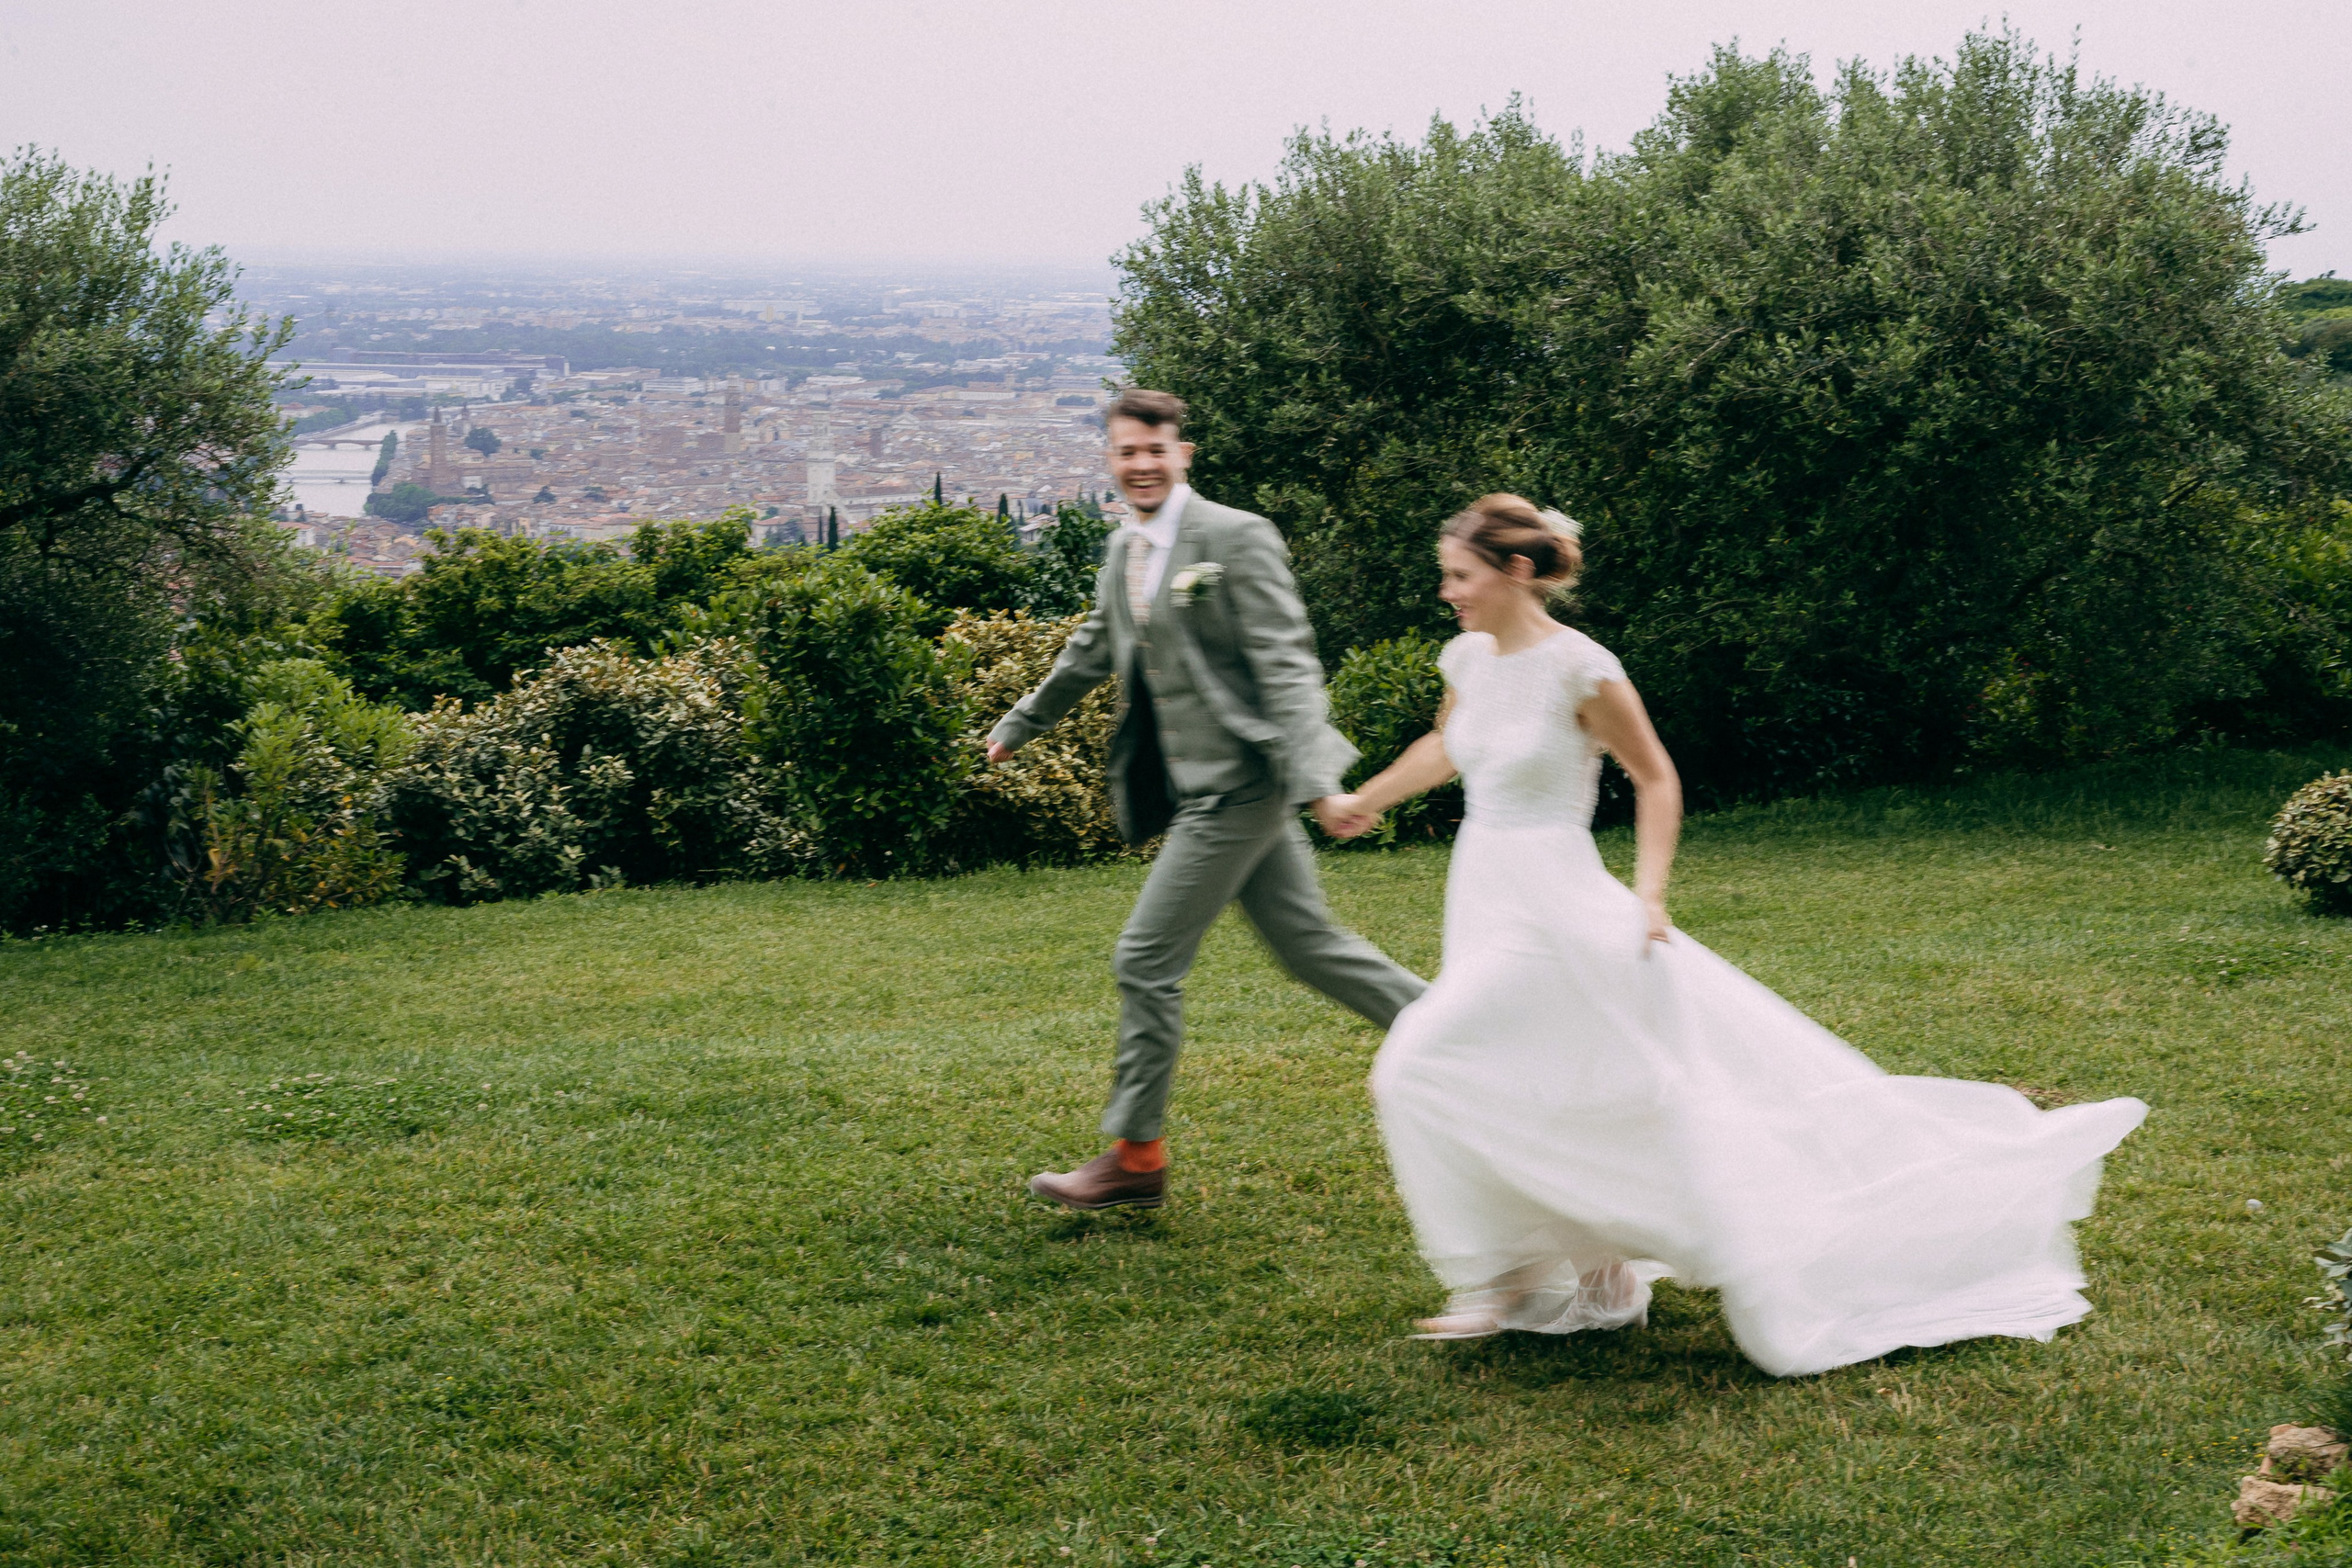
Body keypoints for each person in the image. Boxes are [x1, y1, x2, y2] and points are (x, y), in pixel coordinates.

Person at [1328, 494, 2146, 1377]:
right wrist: (1364, 800)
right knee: (1550, 1079)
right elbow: (1447, 747)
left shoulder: (1583, 668)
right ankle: (1596, 1279)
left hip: (1558, 903)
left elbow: (1655, 777)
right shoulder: (1469, 658)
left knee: (1417, 1066)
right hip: (1484, 895)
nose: (1448, 592)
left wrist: (1647, 895)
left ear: (1515, 571)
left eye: (1460, 575)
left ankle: (1514, 1272)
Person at [988, 389, 1428, 1212]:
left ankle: (1137, 1155)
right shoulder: (1125, 550)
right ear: (1111, 461)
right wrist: (1022, 722)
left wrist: (1320, 780)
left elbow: (1287, 663)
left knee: (1144, 959)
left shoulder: (1235, 537)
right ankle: (1462, 1036)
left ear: (1182, 453)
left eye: (1156, 448)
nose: (1142, 463)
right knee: (1312, 949)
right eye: (1126, 451)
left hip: (1243, 789)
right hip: (1197, 787)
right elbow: (1096, 642)